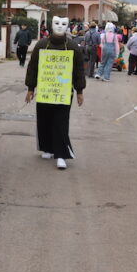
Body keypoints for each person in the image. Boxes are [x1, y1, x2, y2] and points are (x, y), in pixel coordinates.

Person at [24, 16, 86, 170]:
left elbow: (78, 70)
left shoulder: (72, 46)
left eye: (63, 24)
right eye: (57, 23)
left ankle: (61, 154)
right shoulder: (41, 45)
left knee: (60, 122)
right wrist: (31, 88)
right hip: (45, 91)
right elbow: (33, 67)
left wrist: (80, 91)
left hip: (63, 93)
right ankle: (47, 148)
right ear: (51, 25)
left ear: (67, 26)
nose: (60, 26)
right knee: (44, 119)